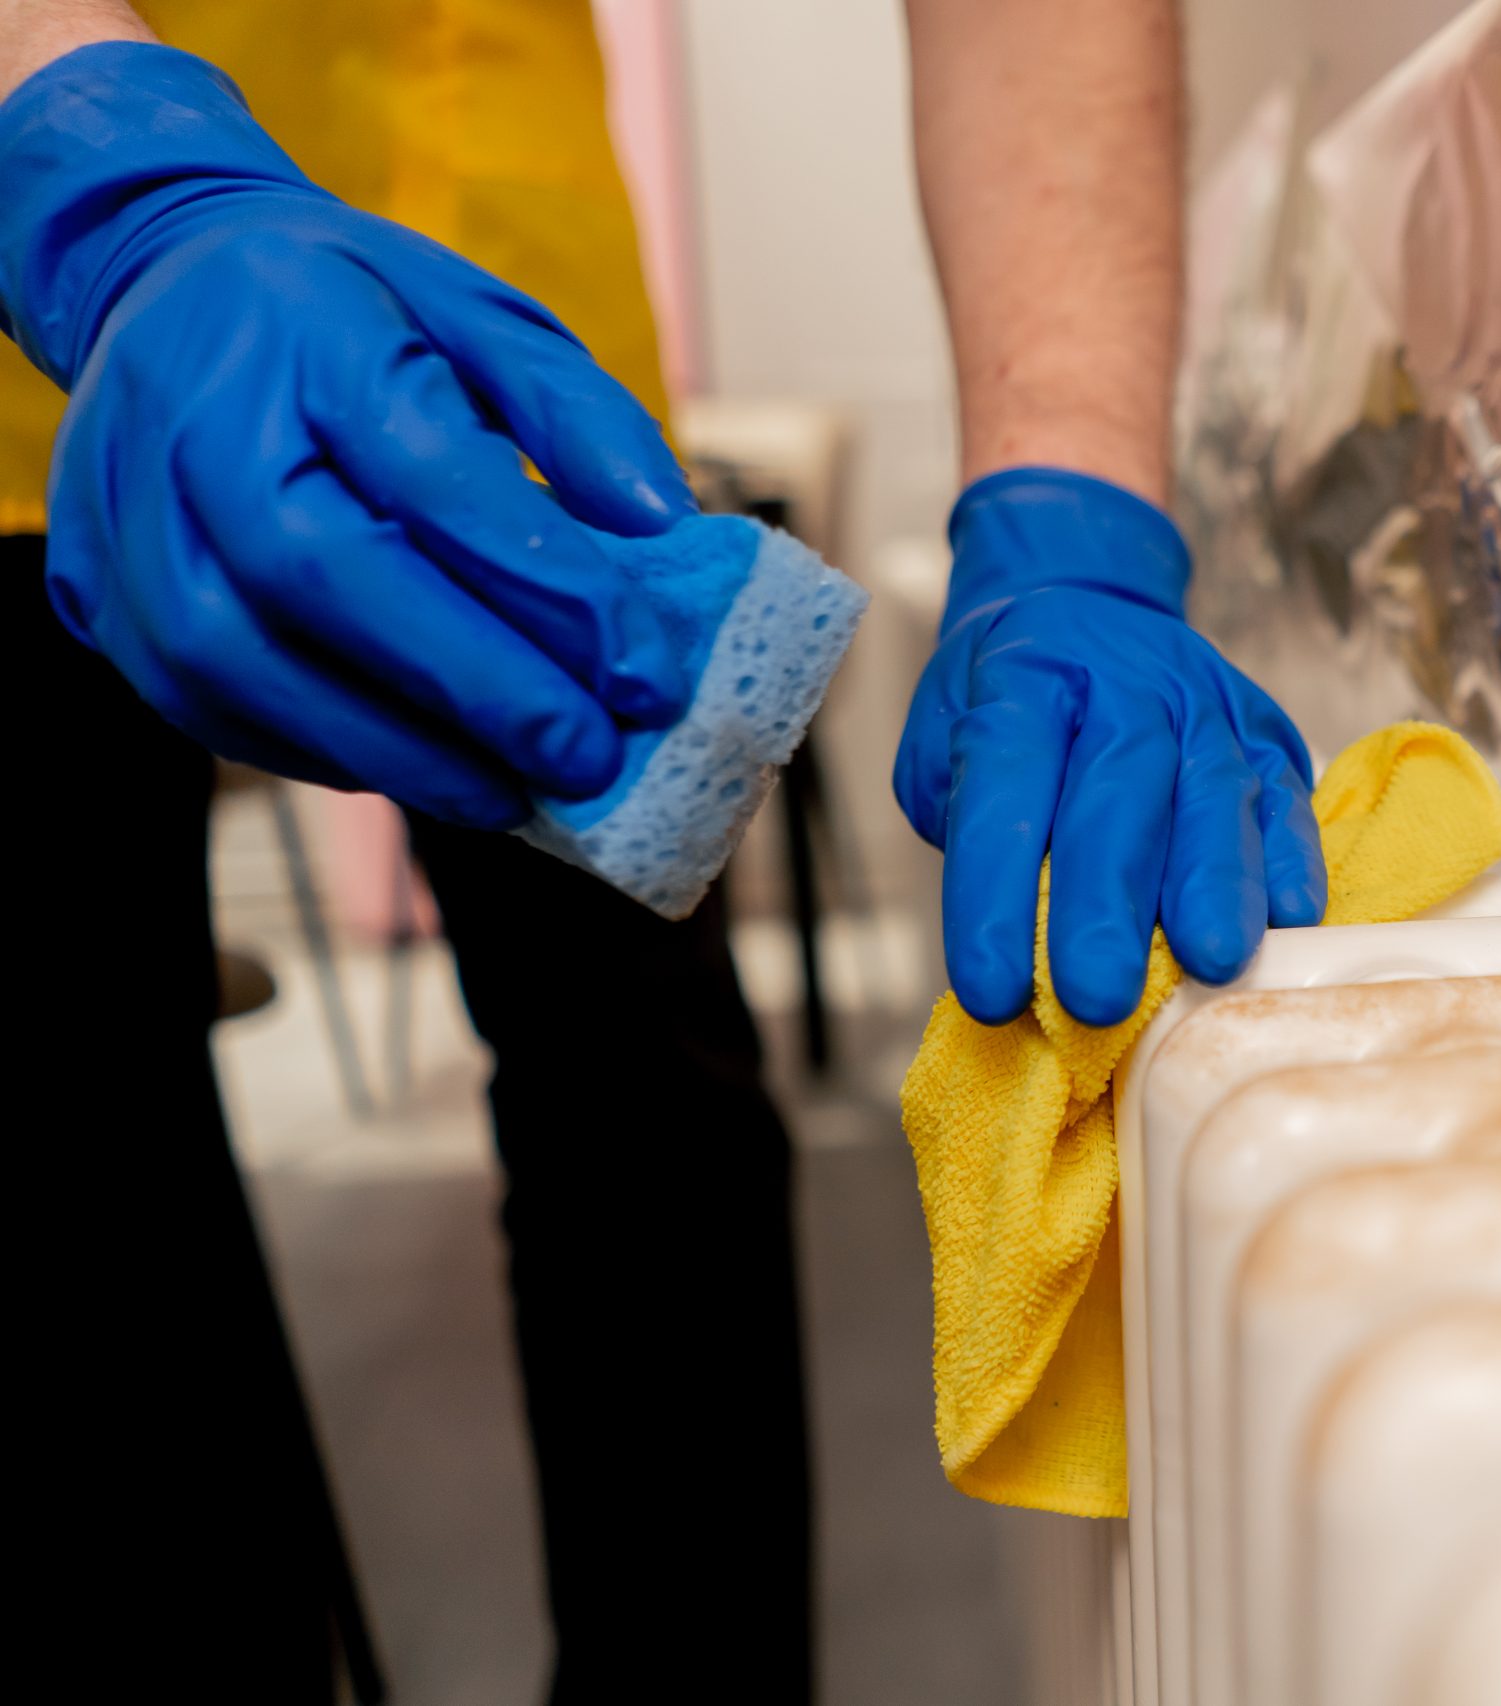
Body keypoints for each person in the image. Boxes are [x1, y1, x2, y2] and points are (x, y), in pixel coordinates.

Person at [1, 0, 1320, 1699]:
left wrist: (1071, 496)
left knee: (655, 1111)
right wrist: (99, 163)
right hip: (52, 363)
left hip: (511, 325)